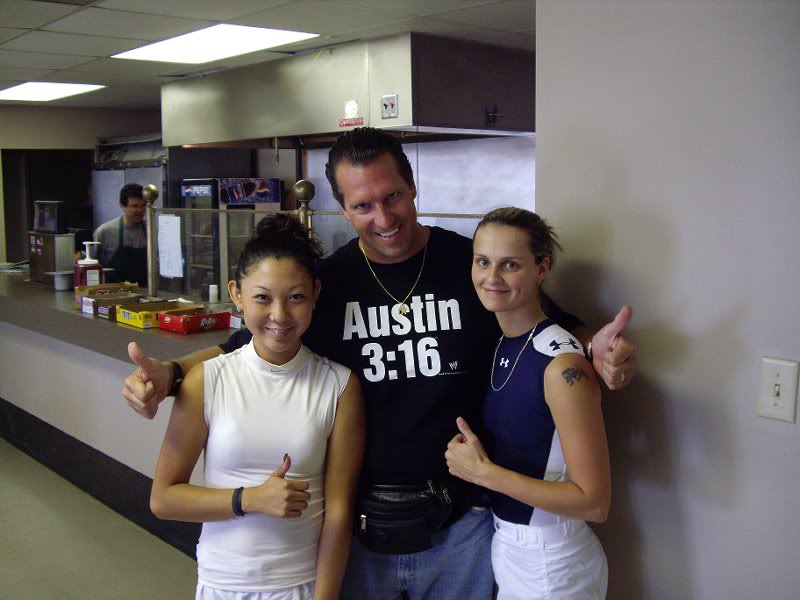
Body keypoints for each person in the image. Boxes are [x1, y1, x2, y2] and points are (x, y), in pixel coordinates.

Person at [123, 127, 637, 599]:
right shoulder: (329, 282)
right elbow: (247, 340)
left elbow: (554, 326)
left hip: (462, 526)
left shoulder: (472, 265)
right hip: (361, 531)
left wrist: (603, 351)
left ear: (412, 186)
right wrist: (169, 375)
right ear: (344, 209)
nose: (384, 218)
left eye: (392, 196)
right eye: (363, 205)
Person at [149, 213, 365, 600]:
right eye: (262, 297)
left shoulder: (338, 385)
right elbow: (163, 499)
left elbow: (338, 513)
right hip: (222, 584)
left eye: (296, 297)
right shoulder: (207, 380)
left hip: (301, 585)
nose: (279, 315)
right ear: (237, 294)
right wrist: (248, 498)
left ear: (316, 292)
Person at [446, 207, 610, 599]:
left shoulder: (562, 365)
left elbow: (594, 501)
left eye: (510, 265)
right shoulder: (504, 341)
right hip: (511, 547)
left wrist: (484, 474)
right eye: (482, 262)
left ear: (541, 268)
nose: (491, 278)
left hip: (553, 561)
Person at [93, 182, 148, 286]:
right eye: (134, 206)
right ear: (122, 205)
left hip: (145, 293)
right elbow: (92, 268)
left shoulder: (151, 231)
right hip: (114, 294)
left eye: (143, 205)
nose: (140, 210)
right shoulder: (105, 231)